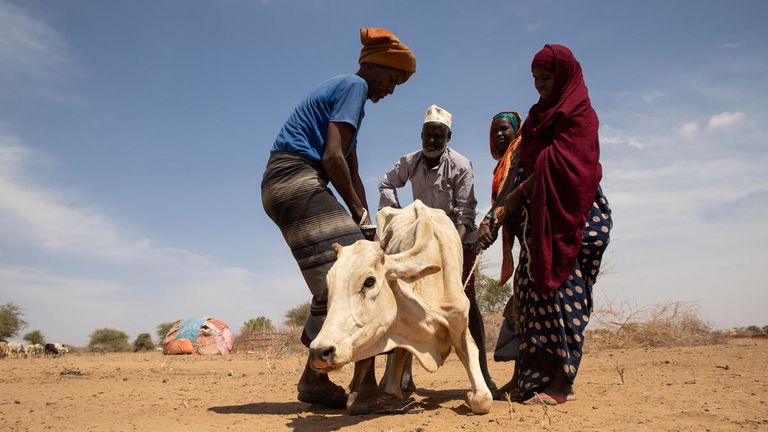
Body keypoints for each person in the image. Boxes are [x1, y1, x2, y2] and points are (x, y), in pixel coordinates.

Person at [261, 27, 416, 409]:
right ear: (375, 67)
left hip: (289, 181)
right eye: (393, 79)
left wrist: (367, 224)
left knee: (338, 278)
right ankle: (359, 388)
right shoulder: (354, 88)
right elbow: (332, 158)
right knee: (354, 272)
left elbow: (350, 168)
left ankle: (317, 379)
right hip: (294, 177)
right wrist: (360, 215)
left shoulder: (351, 104)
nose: (391, 90)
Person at [477, 44, 612, 405]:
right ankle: (527, 378)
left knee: (561, 296)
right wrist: (502, 212)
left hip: (572, 221)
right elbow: (527, 167)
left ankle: (561, 383)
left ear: (564, 76)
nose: (539, 85)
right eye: (535, 79)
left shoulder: (580, 115)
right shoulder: (537, 117)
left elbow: (560, 166)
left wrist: (512, 201)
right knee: (529, 296)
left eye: (546, 78)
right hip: (538, 226)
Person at [378, 104, 498, 395]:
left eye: (439, 136)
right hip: (417, 242)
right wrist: (397, 214)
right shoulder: (410, 161)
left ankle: (483, 375)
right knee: (405, 303)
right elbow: (386, 183)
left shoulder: (461, 164)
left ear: (449, 137)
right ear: (421, 134)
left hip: (456, 242)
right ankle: (401, 378)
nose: (432, 140)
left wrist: (449, 252)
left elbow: (465, 213)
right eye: (428, 134)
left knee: (464, 303)